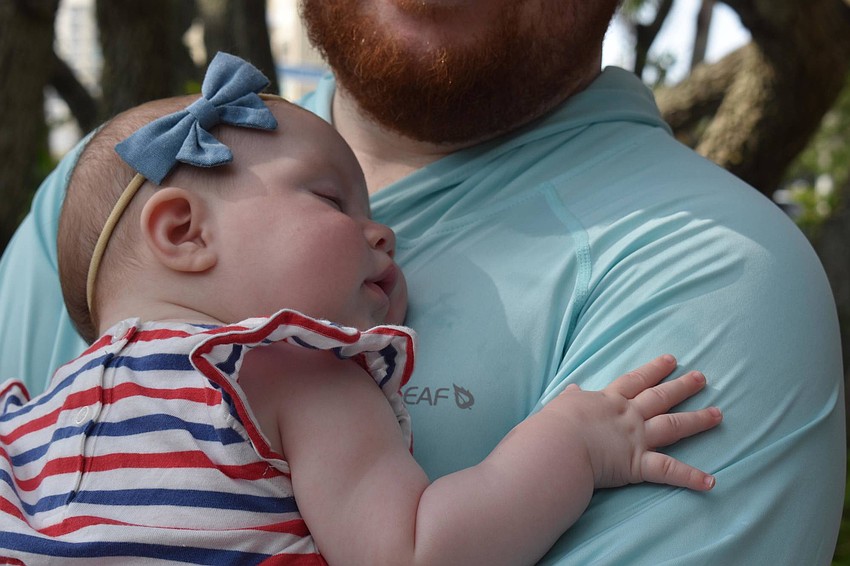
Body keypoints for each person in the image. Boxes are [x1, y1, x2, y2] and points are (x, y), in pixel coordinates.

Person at [0, 1, 844, 563]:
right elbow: (412, 548)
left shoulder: (39, 416)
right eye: (332, 200)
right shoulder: (291, 371)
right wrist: (571, 446)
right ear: (180, 231)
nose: (383, 235)